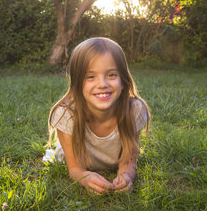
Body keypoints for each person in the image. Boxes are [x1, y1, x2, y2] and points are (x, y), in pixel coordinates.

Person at [47, 37, 150, 194]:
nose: (102, 84)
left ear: (123, 81)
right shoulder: (66, 115)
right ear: (77, 83)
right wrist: (84, 177)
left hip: (113, 161)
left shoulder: (133, 110)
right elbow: (75, 169)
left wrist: (126, 176)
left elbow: (129, 161)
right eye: (90, 77)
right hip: (74, 158)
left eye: (112, 75)